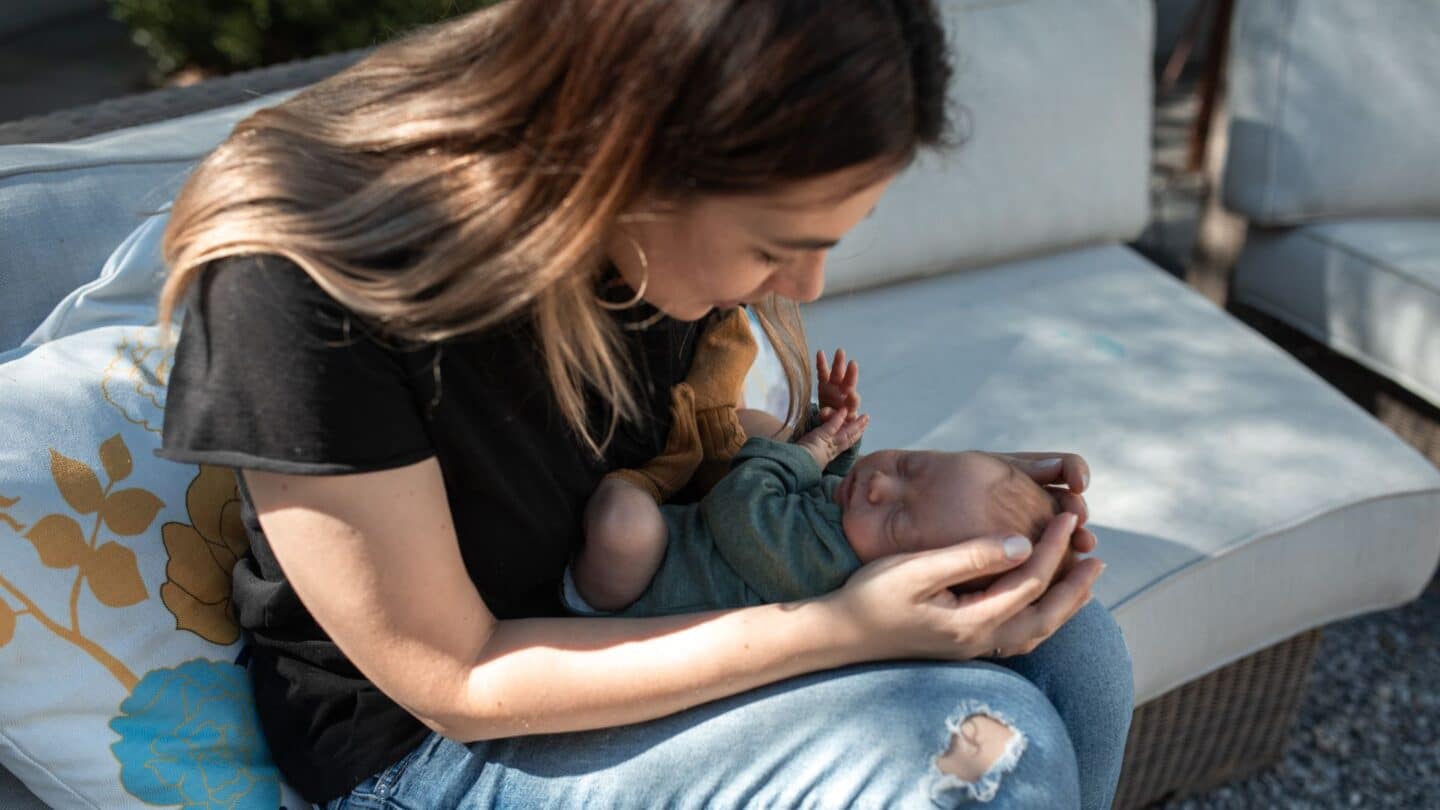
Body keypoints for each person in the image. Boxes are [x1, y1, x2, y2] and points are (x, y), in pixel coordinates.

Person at [154, 1, 1134, 807]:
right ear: (629, 159)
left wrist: (955, 509)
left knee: (1064, 633)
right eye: (773, 245)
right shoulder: (302, 287)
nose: (808, 287)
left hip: (646, 611)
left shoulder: (638, 250)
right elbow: (455, 680)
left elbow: (671, 446)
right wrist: (847, 628)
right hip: (445, 742)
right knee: (984, 760)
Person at [570, 346, 1076, 616]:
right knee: (758, 432)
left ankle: (589, 585)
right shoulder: (858, 529)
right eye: (908, 467)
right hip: (698, 529)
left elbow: (740, 508)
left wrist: (809, 453)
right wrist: (829, 430)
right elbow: (832, 487)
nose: (880, 487)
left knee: (625, 521)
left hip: (641, 596)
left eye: (898, 520)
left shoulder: (829, 567)